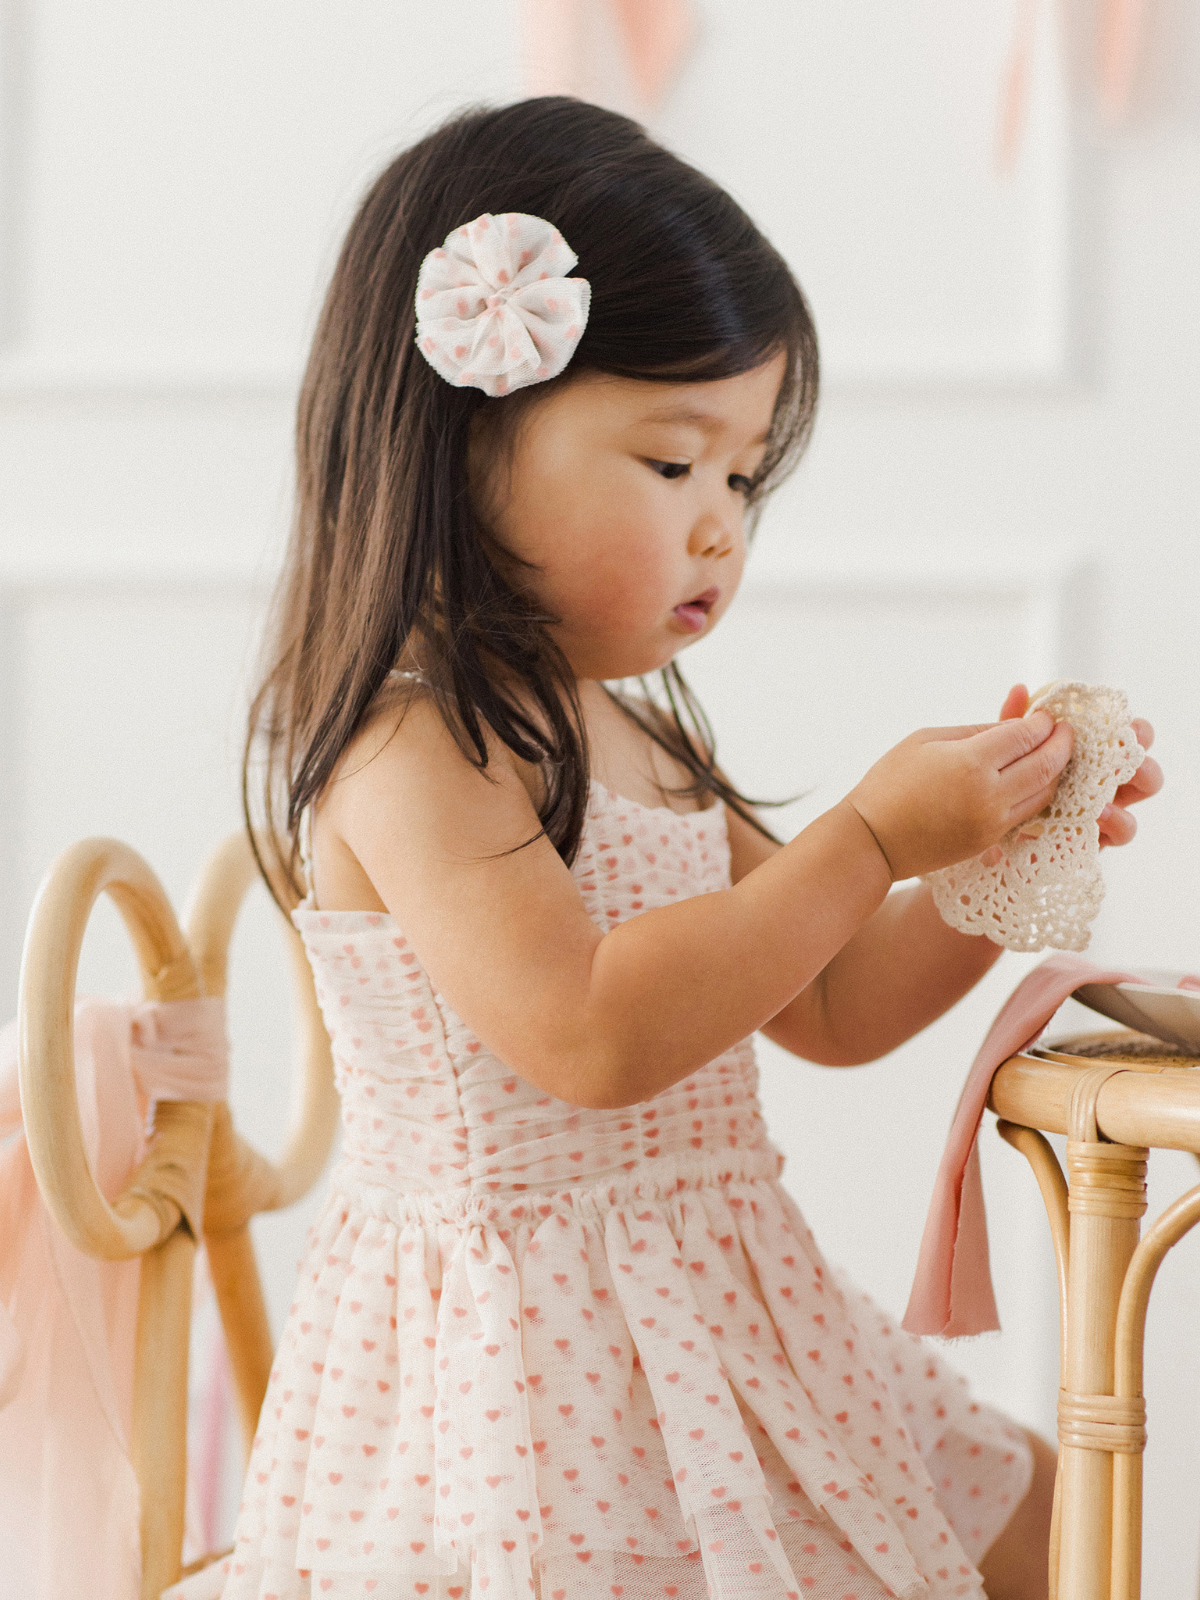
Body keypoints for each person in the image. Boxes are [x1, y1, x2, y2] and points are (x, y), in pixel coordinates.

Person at [219, 96, 1161, 1600]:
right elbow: (591, 1032)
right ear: (464, 440)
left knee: (1027, 1515)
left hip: (720, 1307)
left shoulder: (631, 731)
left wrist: (983, 864)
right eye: (673, 466)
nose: (722, 527)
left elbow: (831, 1001)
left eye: (743, 478)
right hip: (529, 1370)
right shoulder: (419, 749)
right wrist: (864, 833)